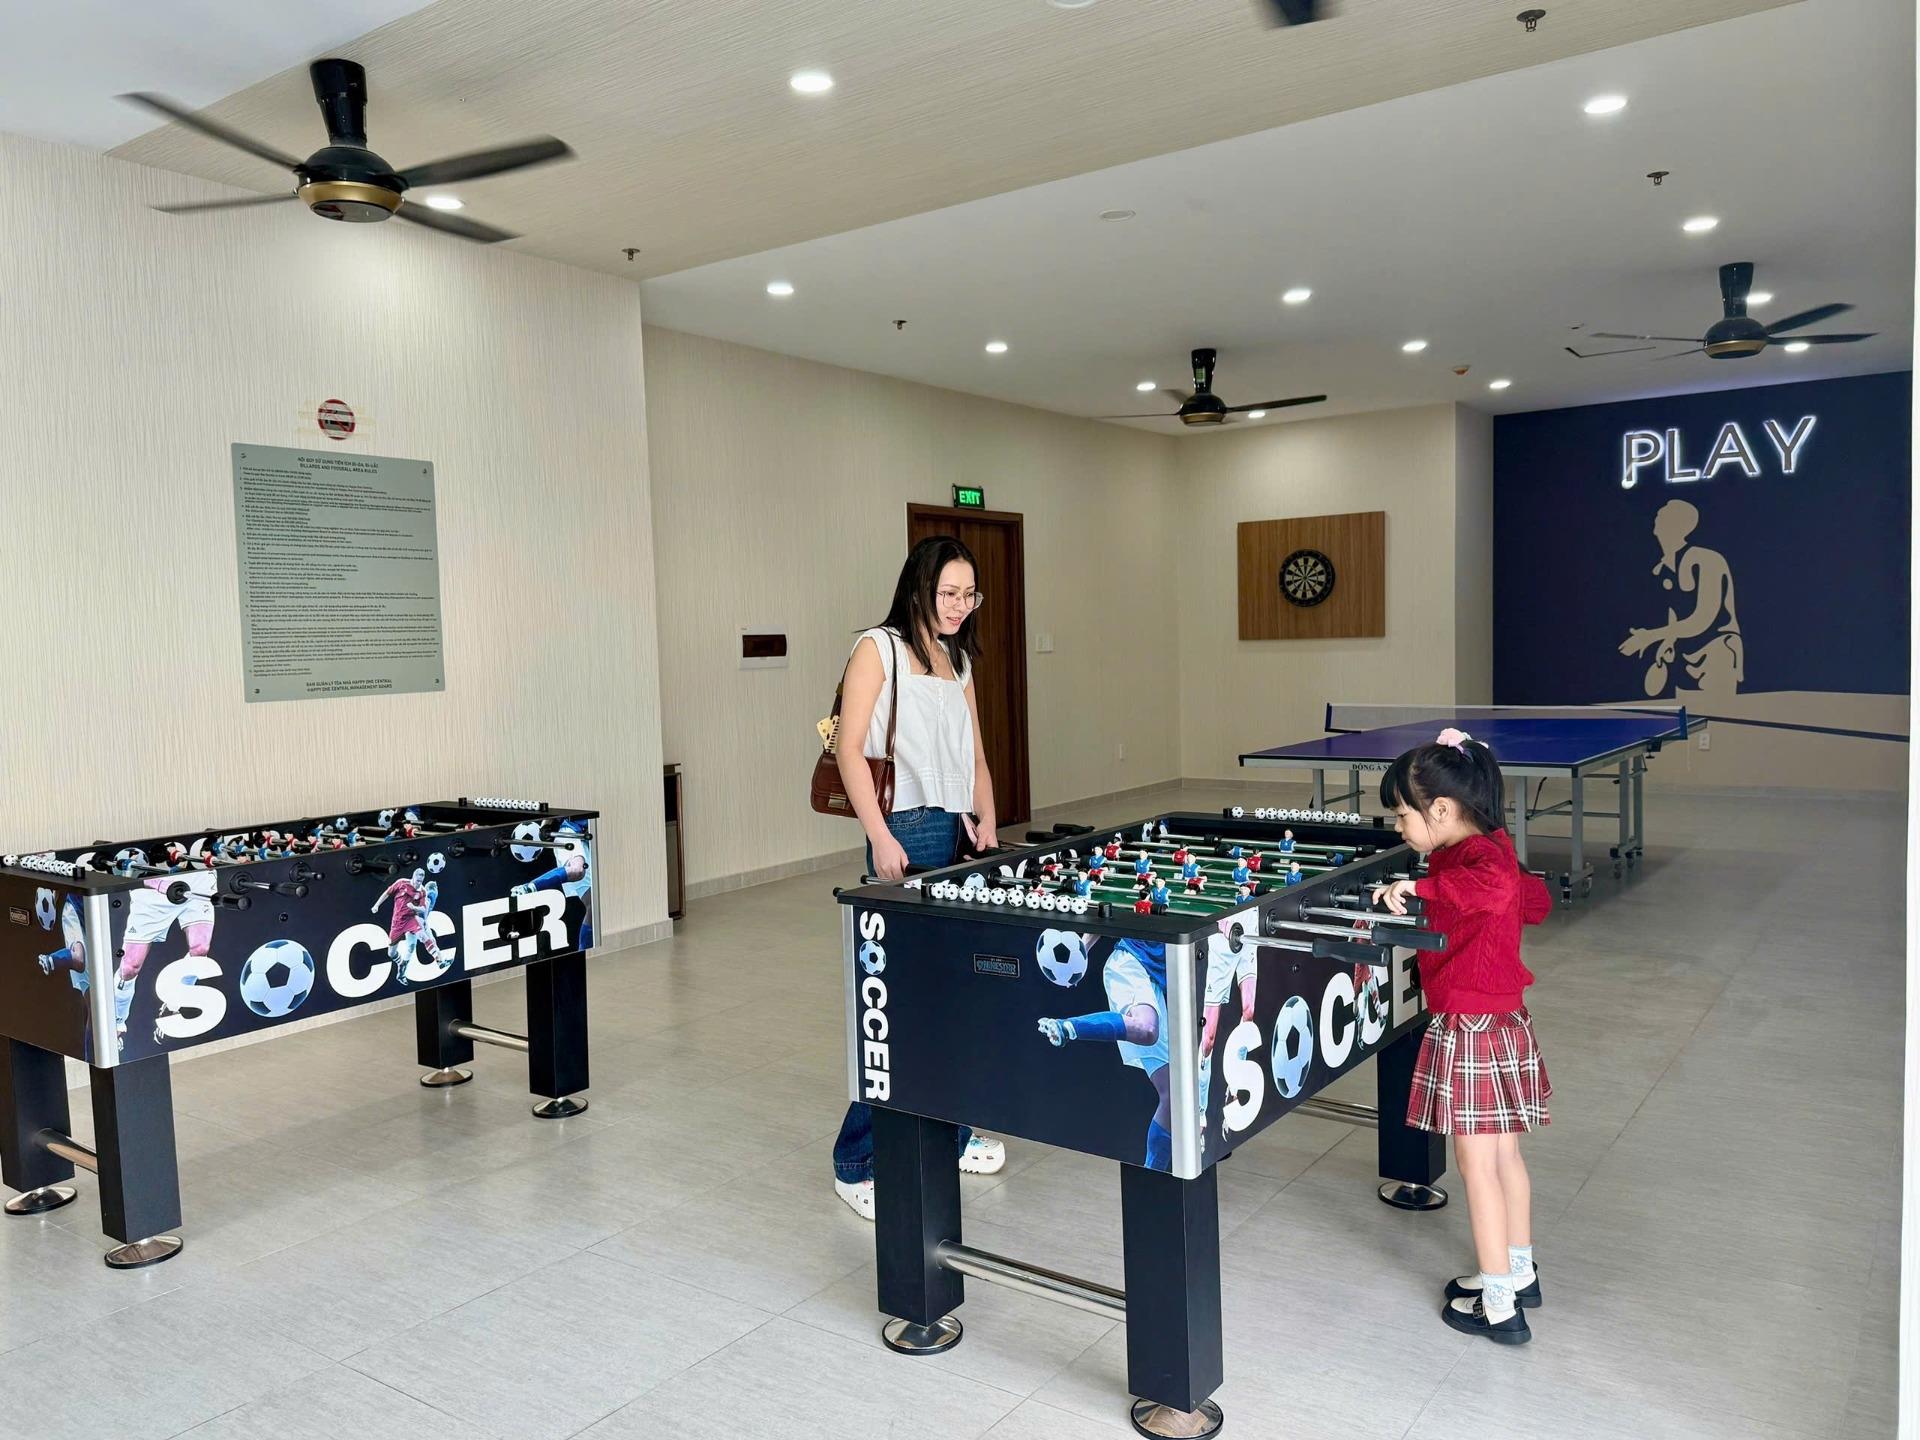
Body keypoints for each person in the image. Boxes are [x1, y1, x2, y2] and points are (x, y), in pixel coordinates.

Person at [830, 535, 1007, 1219]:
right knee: (901, 1007)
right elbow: (850, 750)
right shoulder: (877, 649)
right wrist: (880, 836)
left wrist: (987, 816)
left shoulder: (958, 658)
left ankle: (953, 1133)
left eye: (969, 595)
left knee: (957, 997)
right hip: (903, 829)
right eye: (948, 594)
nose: (960, 606)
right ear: (918, 589)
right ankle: (856, 1161)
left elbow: (977, 753)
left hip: (956, 831)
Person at [1372, 727, 1552, 1346]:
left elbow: (1498, 889)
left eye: (1404, 815)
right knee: (1504, 1160)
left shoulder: (1482, 861)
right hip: (1501, 1022)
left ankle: (1498, 1304)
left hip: (1472, 1027)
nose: (1400, 827)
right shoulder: (1487, 847)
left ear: (1443, 810)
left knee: (1478, 1168)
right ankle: (1518, 1272)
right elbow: (1533, 903)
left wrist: (1416, 887)